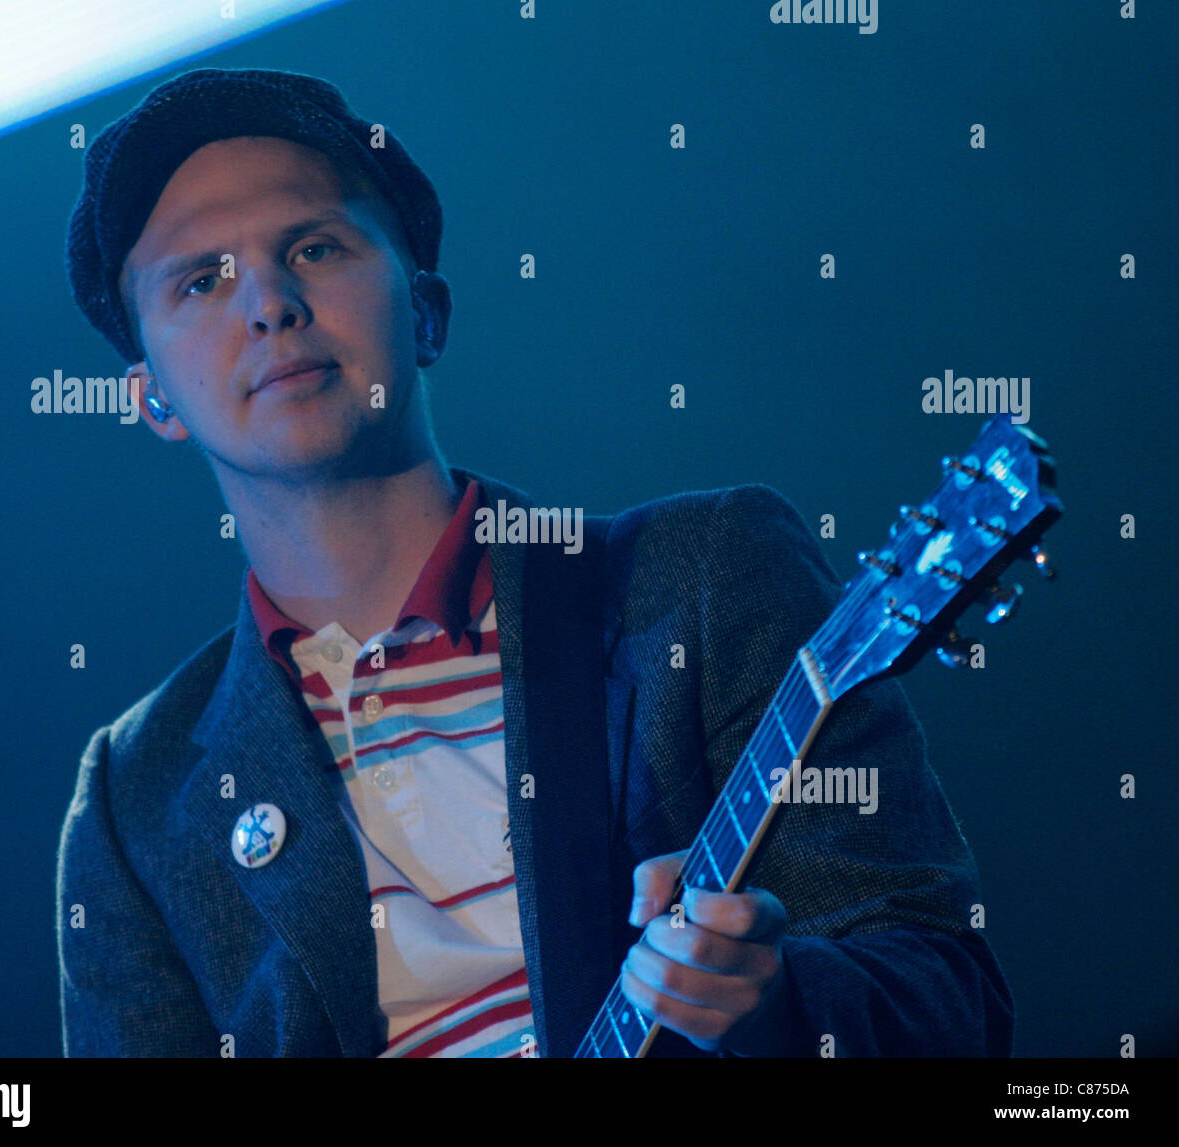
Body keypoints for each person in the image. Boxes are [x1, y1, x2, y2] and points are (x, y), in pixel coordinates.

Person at [57, 67, 1015, 1058]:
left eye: (313, 245)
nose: (269, 302)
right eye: (201, 278)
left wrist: (774, 1007)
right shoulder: (138, 798)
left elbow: (949, 1003)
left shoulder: (702, 577)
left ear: (426, 313)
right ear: (153, 400)